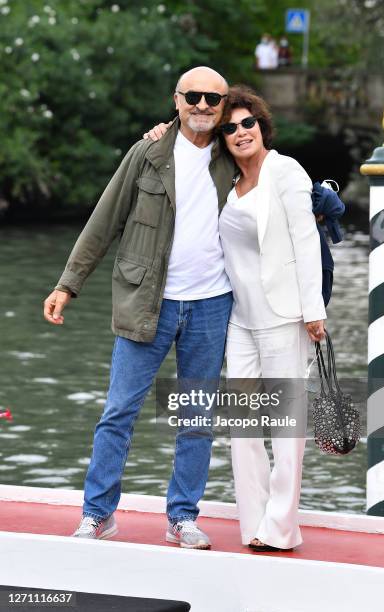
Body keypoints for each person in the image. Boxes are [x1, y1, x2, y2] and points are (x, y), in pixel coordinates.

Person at [43, 66, 235, 549]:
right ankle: (98, 514)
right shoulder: (147, 153)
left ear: (224, 105)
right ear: (176, 100)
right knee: (118, 412)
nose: (202, 106)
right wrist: (68, 284)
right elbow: (104, 220)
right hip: (146, 300)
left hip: (211, 304)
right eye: (193, 96)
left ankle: (182, 518)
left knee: (196, 418)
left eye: (213, 99)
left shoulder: (235, 154)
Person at [218, 86, 326, 551]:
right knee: (239, 430)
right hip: (241, 321)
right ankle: (255, 524)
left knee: (286, 431)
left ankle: (280, 528)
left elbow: (306, 241)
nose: (241, 132)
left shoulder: (285, 170)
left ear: (261, 125)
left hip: (286, 317)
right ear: (222, 137)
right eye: (231, 127)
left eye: (248, 123)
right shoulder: (226, 182)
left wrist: (314, 310)